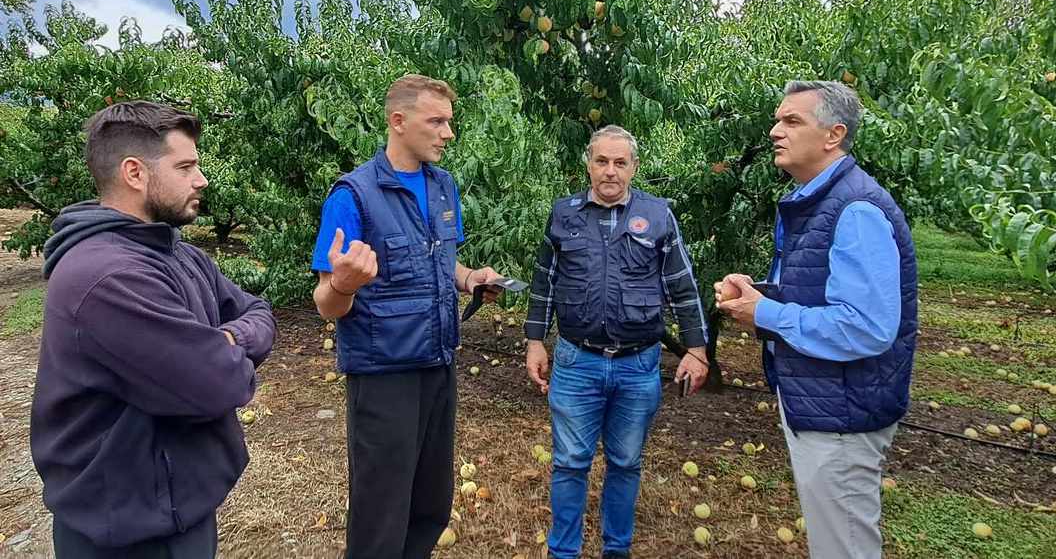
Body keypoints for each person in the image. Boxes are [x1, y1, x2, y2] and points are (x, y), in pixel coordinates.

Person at [30, 101, 277, 559]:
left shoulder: (177, 254)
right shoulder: (107, 277)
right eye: (185, 166)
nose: (201, 180)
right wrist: (226, 348)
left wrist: (228, 339)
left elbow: (259, 311)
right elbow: (215, 384)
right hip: (126, 529)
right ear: (135, 173)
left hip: (176, 507)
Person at [715, 80, 917, 559]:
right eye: (778, 120)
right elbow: (824, 294)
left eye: (792, 121)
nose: (774, 131)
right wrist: (759, 297)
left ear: (834, 134)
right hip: (825, 402)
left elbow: (866, 326)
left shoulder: (855, 208)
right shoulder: (822, 201)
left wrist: (766, 313)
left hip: (842, 412)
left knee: (843, 547)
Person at [310, 73, 500, 559]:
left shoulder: (442, 186)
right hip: (384, 371)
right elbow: (325, 301)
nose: (447, 133)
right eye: (436, 121)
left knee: (430, 502)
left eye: (449, 122)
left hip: (438, 361)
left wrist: (468, 278)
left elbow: (437, 258)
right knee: (381, 507)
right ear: (398, 121)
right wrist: (345, 283)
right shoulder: (352, 196)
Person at [524, 125, 710, 559]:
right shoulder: (563, 214)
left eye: (619, 162)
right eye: (601, 161)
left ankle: (617, 550)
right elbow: (544, 283)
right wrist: (535, 340)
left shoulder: (658, 215)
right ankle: (563, 552)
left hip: (638, 365)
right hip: (576, 361)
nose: (610, 171)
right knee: (570, 462)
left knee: (626, 463)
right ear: (588, 164)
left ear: (634, 167)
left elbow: (683, 287)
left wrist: (697, 349)